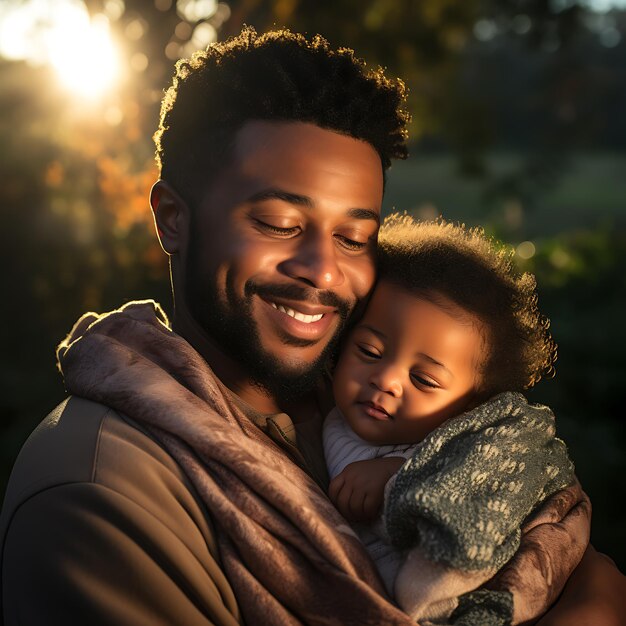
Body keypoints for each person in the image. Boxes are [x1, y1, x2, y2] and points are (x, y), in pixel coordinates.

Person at [0, 27, 624, 626]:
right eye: (278, 223)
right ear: (172, 219)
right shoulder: (100, 494)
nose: (324, 271)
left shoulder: (359, 403)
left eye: (355, 237)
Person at [323, 215, 575, 624]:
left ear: (470, 407)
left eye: (423, 379)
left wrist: (398, 475)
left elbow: (493, 494)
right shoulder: (324, 410)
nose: (385, 380)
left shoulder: (472, 444)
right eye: (369, 351)